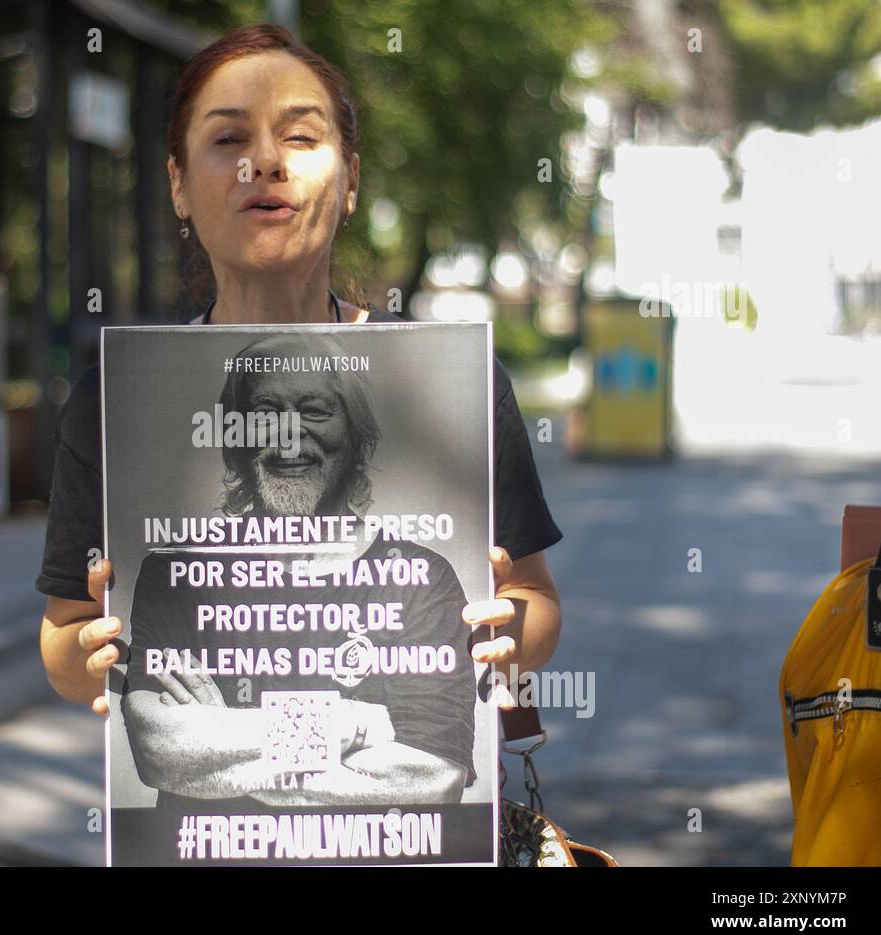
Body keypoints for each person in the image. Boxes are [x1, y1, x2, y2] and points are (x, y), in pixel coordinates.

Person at [37, 24, 562, 741]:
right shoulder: (117, 400)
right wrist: (89, 649)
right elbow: (62, 645)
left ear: (350, 182)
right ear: (179, 187)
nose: (264, 163)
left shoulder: (454, 380)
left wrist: (513, 635)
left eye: (301, 139)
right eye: (228, 140)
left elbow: (535, 602)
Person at [122, 333, 476, 808]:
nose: (288, 435)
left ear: (355, 435)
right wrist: (349, 723)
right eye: (265, 414)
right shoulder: (177, 576)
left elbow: (432, 780)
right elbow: (161, 751)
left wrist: (220, 745)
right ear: (234, 437)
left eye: (314, 411)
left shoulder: (422, 582)